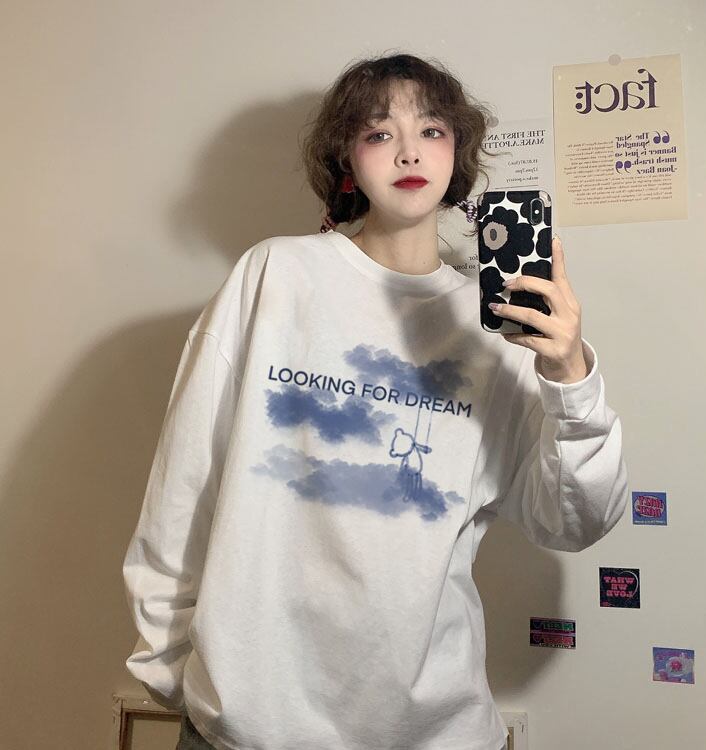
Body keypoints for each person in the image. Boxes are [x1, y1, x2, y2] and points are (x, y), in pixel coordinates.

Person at [122, 52, 628, 750]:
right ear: (347, 160)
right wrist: (174, 671)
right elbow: (184, 482)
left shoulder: (496, 332)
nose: (409, 151)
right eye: (379, 132)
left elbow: (575, 520)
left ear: (458, 153)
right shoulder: (276, 275)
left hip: (434, 731)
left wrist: (569, 372)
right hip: (248, 727)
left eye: (432, 130)